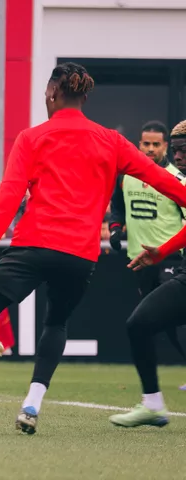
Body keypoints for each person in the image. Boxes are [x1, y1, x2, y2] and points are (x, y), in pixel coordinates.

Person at [0, 62, 186, 435]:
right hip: (80, 255)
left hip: (33, 244)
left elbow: (8, 200)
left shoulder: (31, 138)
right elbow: (165, 181)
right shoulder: (112, 141)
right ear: (85, 97)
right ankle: (32, 403)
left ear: (51, 93)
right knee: (56, 323)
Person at [109, 119, 186, 428]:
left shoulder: (176, 179)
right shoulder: (133, 177)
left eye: (183, 150)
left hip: (172, 266)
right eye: (176, 150)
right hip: (172, 267)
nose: (178, 156)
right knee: (139, 325)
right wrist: (161, 251)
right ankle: (152, 404)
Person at [109, 120, 186, 296]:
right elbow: (118, 207)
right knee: (146, 309)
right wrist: (115, 228)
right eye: (146, 144)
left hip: (169, 258)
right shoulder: (126, 176)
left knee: (166, 308)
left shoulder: (179, 178)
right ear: (139, 144)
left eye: (156, 144)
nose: (151, 149)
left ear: (165, 146)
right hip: (139, 258)